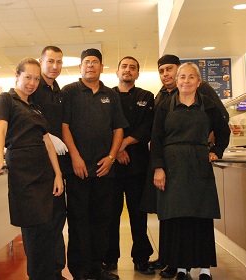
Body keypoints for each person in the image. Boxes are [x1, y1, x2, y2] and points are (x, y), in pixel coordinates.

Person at [144, 54, 229, 278]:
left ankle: (204, 268)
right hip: (172, 168)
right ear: (177, 80)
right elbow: (156, 139)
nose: (186, 81)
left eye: (191, 77)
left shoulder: (208, 106)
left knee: (201, 217)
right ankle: (181, 267)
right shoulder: (163, 106)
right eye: (183, 77)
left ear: (199, 82)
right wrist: (159, 168)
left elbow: (224, 130)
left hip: (199, 166)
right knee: (177, 218)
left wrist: (216, 151)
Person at [0, 57, 64, 280]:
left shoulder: (34, 107)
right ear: (17, 76)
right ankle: (37, 276)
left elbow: (48, 143)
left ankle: (50, 275)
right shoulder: (7, 99)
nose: (32, 83)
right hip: (23, 172)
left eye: (35, 79)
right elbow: (0, 131)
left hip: (45, 172)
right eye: (27, 77)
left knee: (50, 228)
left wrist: (58, 174)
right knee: (34, 231)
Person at [61, 48, 128, 280]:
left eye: (95, 62)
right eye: (87, 62)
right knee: (79, 221)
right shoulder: (69, 92)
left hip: (104, 170)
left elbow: (118, 128)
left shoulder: (111, 95)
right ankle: (79, 271)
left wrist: (111, 158)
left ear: (101, 67)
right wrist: (75, 157)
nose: (91, 66)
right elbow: (64, 126)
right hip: (78, 169)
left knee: (102, 221)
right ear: (80, 67)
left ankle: (97, 268)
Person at [102, 56, 155, 275]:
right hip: (112, 166)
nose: (128, 70)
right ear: (117, 72)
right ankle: (109, 258)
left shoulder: (146, 96)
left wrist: (123, 144)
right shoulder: (106, 96)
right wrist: (117, 151)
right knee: (110, 214)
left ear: (137, 74)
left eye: (133, 67)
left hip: (138, 166)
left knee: (138, 214)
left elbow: (147, 127)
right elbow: (104, 126)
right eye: (124, 66)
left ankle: (141, 258)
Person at [31, 45, 69, 280]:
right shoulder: (34, 89)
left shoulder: (58, 90)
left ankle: (57, 270)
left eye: (59, 62)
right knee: (44, 223)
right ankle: (44, 273)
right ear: (41, 61)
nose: (55, 66)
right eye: (50, 61)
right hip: (39, 166)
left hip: (58, 166)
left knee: (58, 219)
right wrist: (47, 136)